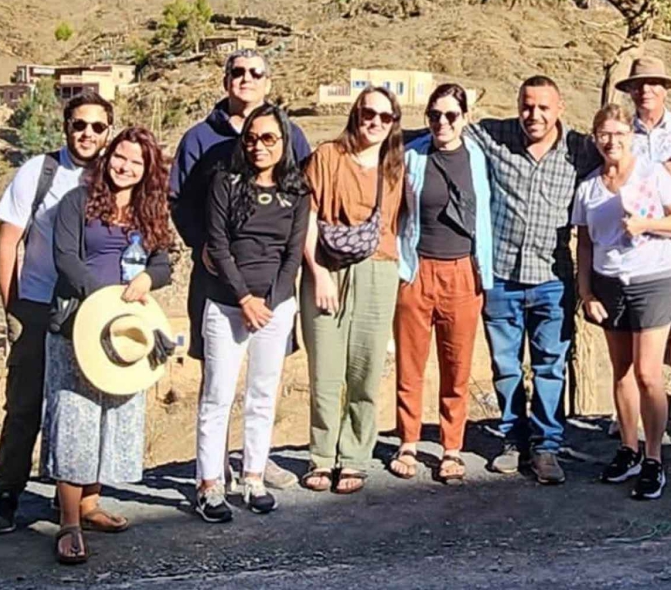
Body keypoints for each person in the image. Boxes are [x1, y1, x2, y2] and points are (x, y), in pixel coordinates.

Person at [169, 49, 309, 490]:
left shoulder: (292, 134)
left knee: (264, 382)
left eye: (255, 72)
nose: (245, 78)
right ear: (225, 78)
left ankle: (256, 464)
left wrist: (278, 292)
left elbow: (299, 195)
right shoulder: (199, 139)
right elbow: (178, 200)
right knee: (217, 382)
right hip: (217, 278)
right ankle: (214, 470)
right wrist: (203, 246)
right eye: (237, 71)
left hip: (273, 289)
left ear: (268, 81)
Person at [0, 92, 114, 534]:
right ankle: (8, 491)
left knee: (85, 406)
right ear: (66, 127)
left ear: (108, 132)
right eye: (79, 125)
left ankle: (78, 498)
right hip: (38, 303)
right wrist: (13, 305)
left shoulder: (115, 175)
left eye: (97, 127)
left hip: (93, 310)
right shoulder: (39, 172)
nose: (87, 134)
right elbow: (8, 241)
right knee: (25, 403)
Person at [44, 126, 173, 562]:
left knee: (108, 416)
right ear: (107, 156)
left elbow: (163, 263)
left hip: (125, 330)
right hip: (77, 322)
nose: (125, 167)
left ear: (148, 170)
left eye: (137, 161)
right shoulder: (76, 202)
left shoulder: (150, 211)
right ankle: (68, 522)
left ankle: (90, 504)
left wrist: (147, 278)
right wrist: (105, 298)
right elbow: (65, 258)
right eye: (120, 156)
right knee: (75, 419)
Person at [467, 76, 598, 486]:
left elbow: (620, 161)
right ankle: (513, 440)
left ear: (560, 108)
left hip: (552, 279)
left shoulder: (580, 150)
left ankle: (546, 446)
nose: (534, 115)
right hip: (502, 276)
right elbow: (449, 130)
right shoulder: (495, 136)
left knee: (550, 366)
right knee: (506, 366)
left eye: (543, 107)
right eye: (527, 106)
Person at [193, 103, 310, 522]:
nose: (259, 146)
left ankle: (254, 477)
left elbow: (293, 254)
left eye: (269, 138)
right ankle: (209, 485)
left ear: (283, 142)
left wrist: (270, 303)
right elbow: (218, 245)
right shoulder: (225, 182)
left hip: (275, 307)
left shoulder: (297, 192)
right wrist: (244, 298)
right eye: (252, 138)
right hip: (227, 304)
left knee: (262, 394)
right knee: (217, 395)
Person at [575, 105, 671, 500]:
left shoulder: (651, 174)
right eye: (605, 135)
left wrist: (647, 225)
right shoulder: (589, 188)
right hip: (609, 284)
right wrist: (586, 293)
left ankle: (655, 457)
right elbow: (585, 244)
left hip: (653, 279)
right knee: (622, 371)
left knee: (647, 373)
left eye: (620, 134)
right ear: (596, 138)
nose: (612, 142)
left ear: (631, 136)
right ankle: (629, 448)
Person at [299, 88, 406, 495]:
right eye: (368, 113)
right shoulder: (328, 156)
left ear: (394, 123)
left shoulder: (396, 167)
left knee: (365, 369)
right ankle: (322, 456)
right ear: (355, 114)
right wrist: (318, 273)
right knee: (325, 370)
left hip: (378, 270)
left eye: (385, 116)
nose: (375, 122)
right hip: (326, 268)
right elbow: (307, 218)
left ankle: (356, 455)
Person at [390, 83, 493, 486]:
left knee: (457, 365)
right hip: (417, 270)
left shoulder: (478, 158)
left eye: (451, 115)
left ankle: (451, 447)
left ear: (465, 118)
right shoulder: (413, 155)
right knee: (410, 364)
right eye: (435, 115)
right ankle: (408, 441)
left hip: (463, 272)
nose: (442, 123)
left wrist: (484, 272)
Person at [613, 56, 671, 439]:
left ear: (665, 89)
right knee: (633, 327)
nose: (645, 90)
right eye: (638, 84)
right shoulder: (621, 132)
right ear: (630, 90)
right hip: (631, 242)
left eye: (653, 83)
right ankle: (630, 410)